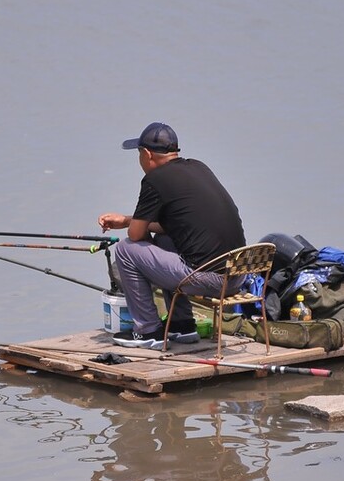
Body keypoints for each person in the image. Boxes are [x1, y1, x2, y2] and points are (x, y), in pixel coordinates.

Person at [97, 122, 246, 348]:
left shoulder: (155, 179)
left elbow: (135, 235)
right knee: (166, 240)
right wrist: (126, 219)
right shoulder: (199, 167)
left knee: (126, 250)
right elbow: (176, 225)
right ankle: (182, 325)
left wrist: (129, 224)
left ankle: (148, 331)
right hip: (238, 274)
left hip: (210, 280)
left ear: (147, 154)